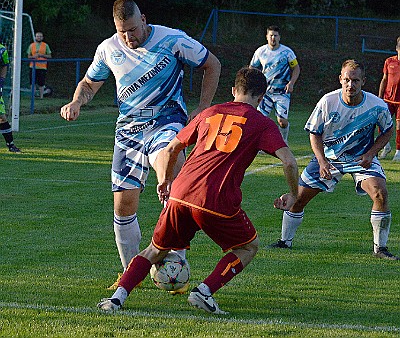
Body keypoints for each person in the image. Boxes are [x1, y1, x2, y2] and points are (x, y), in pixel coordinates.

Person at [97, 66, 299, 314]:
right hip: (215, 197)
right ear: (262, 96)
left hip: (180, 192)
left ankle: (117, 299)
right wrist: (294, 194)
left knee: (154, 250)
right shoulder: (261, 123)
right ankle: (203, 292)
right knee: (248, 247)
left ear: (233, 90)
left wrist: (165, 180)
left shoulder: (210, 112)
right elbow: (289, 161)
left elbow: (171, 149)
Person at [60, 0, 221, 288]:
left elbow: (212, 64)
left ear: (144, 19)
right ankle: (130, 274)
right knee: (123, 206)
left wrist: (202, 107)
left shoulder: (173, 40)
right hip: (128, 132)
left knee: (169, 177)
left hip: (166, 122)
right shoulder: (108, 48)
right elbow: (89, 83)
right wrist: (76, 101)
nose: (128, 37)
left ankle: (177, 262)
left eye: (133, 30)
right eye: (122, 31)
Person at [270, 59, 399, 260]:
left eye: (355, 80)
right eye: (347, 80)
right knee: (298, 198)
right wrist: (321, 161)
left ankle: (380, 249)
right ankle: (284, 241)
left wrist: (372, 153)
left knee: (380, 193)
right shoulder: (328, 102)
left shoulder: (376, 105)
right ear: (340, 79)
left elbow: (388, 130)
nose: (350, 85)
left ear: (363, 81)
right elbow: (314, 133)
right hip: (330, 158)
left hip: (361, 158)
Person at [249, 25, 300, 143]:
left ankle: (283, 141)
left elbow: (296, 68)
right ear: (266, 37)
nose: (273, 38)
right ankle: (260, 143)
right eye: (271, 35)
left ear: (279, 37)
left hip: (282, 92)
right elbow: (252, 67)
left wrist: (291, 83)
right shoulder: (260, 51)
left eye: (275, 35)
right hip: (265, 92)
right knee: (259, 119)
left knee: (282, 121)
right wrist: (255, 82)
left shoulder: (287, 52)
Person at [378, 36, 400, 161]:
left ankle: (398, 151)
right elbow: (384, 79)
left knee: (398, 126)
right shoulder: (389, 61)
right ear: (397, 48)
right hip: (388, 99)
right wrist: (380, 97)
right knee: (381, 122)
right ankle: (386, 146)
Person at [0, 42, 21, 153]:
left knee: (2, 117)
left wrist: (2, 80)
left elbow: (5, 65)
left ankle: (11, 145)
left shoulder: (2, 50)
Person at [27, 31, 52, 99]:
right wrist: (33, 57)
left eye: (40, 36)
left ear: (42, 37)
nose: (39, 37)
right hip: (33, 66)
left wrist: (42, 55)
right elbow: (29, 56)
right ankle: (33, 96)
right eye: (37, 36)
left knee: (41, 83)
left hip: (42, 67)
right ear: (35, 37)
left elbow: (49, 56)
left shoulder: (45, 45)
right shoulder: (31, 45)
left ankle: (41, 96)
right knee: (32, 82)